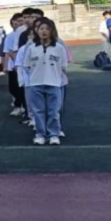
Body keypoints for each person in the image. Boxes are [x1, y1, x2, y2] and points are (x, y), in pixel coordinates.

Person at [23, 17, 68, 145]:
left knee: (54, 111)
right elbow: (26, 66)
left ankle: (54, 134)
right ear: (37, 31)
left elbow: (63, 66)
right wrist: (35, 76)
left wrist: (55, 77)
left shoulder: (59, 48)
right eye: (41, 29)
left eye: (47, 29)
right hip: (35, 84)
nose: (44, 31)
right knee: (38, 111)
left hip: (54, 83)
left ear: (52, 31)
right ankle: (40, 134)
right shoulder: (32, 48)